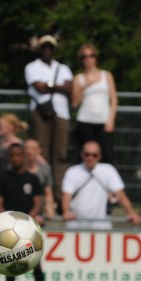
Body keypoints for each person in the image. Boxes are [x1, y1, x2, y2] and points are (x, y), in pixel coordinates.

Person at [0, 143, 48, 281]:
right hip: (9, 230)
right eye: (12, 156)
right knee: (11, 264)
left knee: (36, 264)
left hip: (28, 229)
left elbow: (38, 201)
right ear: (9, 158)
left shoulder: (32, 179)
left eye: (19, 155)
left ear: (24, 156)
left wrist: (26, 220)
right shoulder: (3, 178)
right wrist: (8, 220)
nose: (16, 158)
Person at [24, 34, 73, 200]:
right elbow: (38, 87)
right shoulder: (32, 67)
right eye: (44, 47)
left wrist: (49, 86)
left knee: (60, 155)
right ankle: (43, 196)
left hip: (61, 113)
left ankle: (60, 197)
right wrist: (56, 87)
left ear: (54, 49)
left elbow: (69, 88)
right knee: (41, 152)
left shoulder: (63, 68)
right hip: (41, 111)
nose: (47, 50)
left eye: (50, 47)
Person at [61, 141, 140, 230]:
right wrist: (66, 212)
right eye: (87, 154)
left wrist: (131, 212)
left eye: (94, 155)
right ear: (82, 155)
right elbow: (66, 195)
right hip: (76, 225)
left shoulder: (108, 170)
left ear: (99, 156)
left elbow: (120, 194)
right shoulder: (72, 172)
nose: (90, 158)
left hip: (100, 226)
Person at [71, 43, 118, 164]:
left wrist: (111, 120)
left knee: (107, 155)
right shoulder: (78, 78)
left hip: (103, 121)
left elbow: (113, 99)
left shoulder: (106, 75)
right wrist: (84, 86)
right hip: (85, 120)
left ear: (96, 57)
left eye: (91, 55)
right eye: (84, 56)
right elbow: (75, 104)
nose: (88, 59)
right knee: (86, 155)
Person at [23, 139, 56, 220]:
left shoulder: (45, 169)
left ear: (39, 150)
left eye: (33, 148)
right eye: (27, 148)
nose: (29, 151)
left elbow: (48, 193)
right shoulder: (17, 169)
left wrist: (50, 212)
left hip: (39, 214)